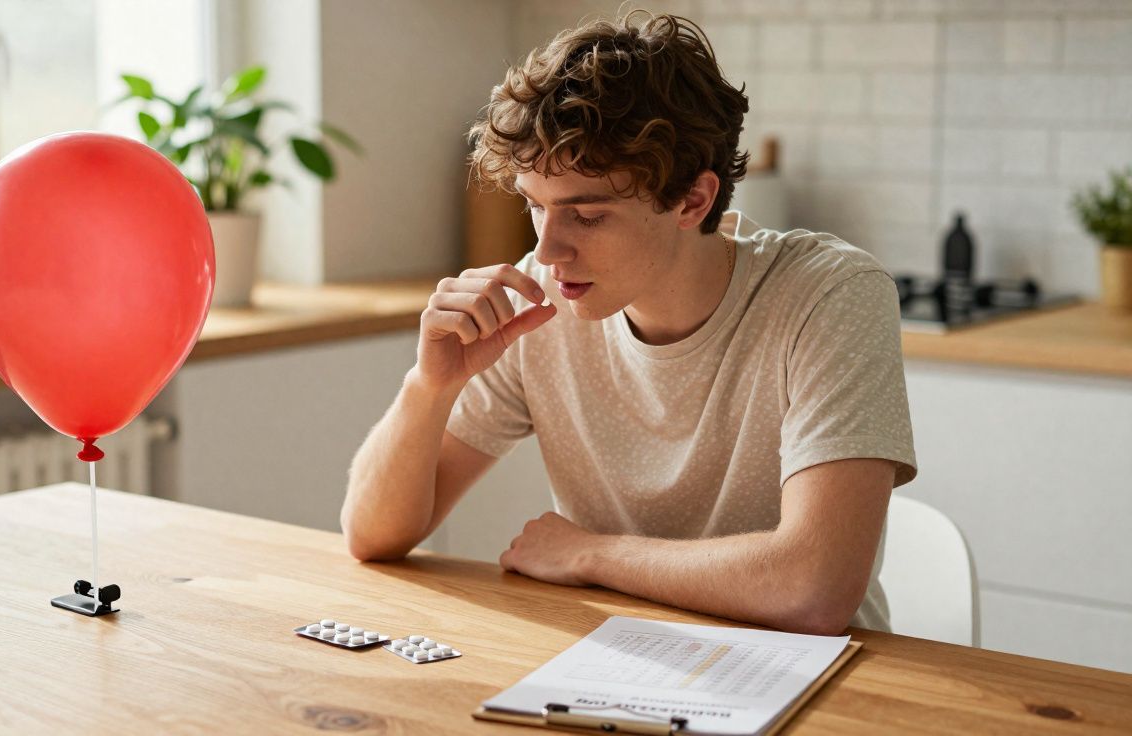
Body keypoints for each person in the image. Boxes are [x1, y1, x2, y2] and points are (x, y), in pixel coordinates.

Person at [340, 11, 916, 635]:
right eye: (536, 208)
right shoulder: (543, 299)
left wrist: (589, 553)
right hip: (616, 661)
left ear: (692, 200)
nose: (550, 249)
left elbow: (814, 589)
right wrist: (429, 387)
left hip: (816, 680)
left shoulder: (828, 295)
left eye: (586, 216)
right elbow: (372, 535)